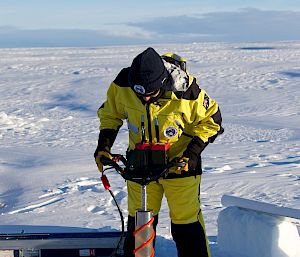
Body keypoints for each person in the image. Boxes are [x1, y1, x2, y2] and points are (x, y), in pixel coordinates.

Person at [94, 47, 224, 257]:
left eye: (150, 94)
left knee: (186, 224)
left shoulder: (186, 92)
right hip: (140, 166)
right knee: (140, 224)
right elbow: (110, 114)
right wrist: (104, 146)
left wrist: (191, 155)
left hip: (180, 167)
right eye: (140, 94)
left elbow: (212, 121)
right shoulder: (122, 84)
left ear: (162, 82)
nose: (145, 99)